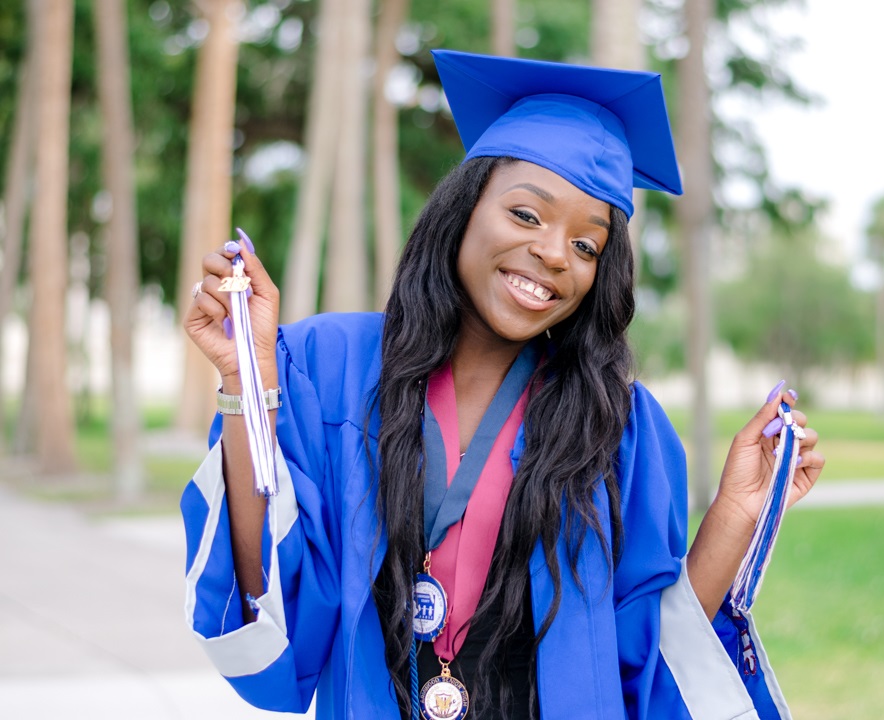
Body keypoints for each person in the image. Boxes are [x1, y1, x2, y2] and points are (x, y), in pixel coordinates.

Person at [181, 49, 824, 720]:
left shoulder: (618, 426)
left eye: (586, 245)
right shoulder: (330, 367)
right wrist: (243, 385)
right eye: (526, 215)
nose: (553, 253)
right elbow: (269, 617)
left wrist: (734, 515)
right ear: (464, 208)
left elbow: (643, 663)